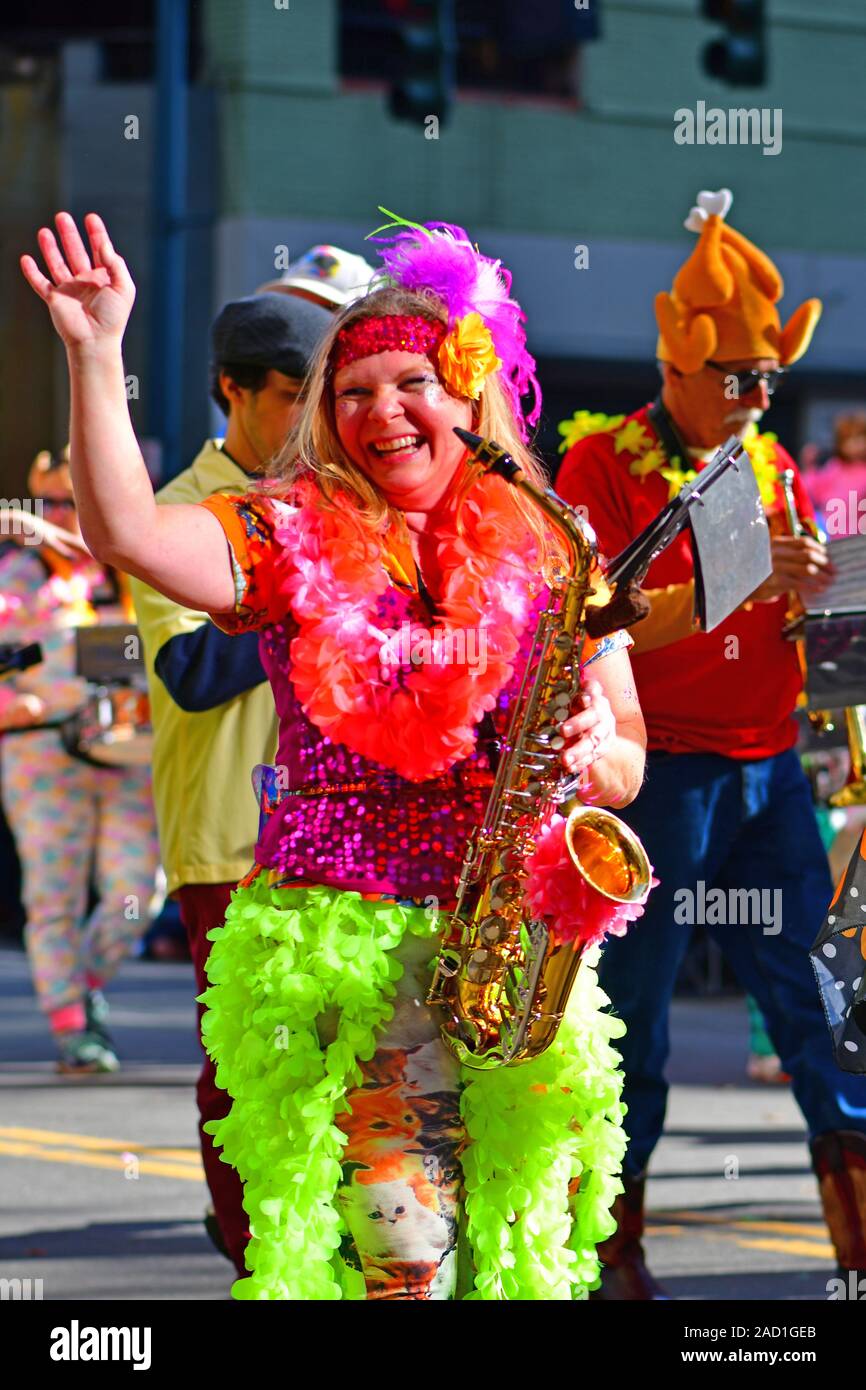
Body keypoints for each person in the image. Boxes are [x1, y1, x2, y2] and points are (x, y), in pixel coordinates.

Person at [22, 208, 647, 1300]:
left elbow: (629, 743)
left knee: (513, 1270)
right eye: (351, 392)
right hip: (343, 954)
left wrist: (602, 753)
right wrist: (96, 351)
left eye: (410, 384)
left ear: (466, 395)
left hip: (509, 950)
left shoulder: (551, 540)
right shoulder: (284, 531)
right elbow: (126, 530)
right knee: (401, 1268)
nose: (381, 412)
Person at [556, 187, 866, 1298]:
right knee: (630, 1019)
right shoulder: (595, 469)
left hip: (767, 768)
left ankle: (856, 1243)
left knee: (823, 1003)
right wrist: (732, 587)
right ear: (673, 366)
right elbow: (587, 620)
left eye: (768, 379)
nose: (754, 398)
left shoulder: (770, 464)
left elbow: (780, 622)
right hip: (659, 772)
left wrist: (812, 606)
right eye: (737, 377)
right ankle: (612, 1241)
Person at [129, 290, 333, 1275]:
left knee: (343, 1065)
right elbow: (195, 671)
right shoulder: (174, 513)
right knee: (249, 1065)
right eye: (293, 395)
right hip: (230, 833)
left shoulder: (337, 500)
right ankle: (261, 1256)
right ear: (232, 390)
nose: (312, 418)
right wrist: (312, 581)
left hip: (342, 830)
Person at [0, 447, 159, 1072]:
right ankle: (73, 1028)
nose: (64, 515)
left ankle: (80, 984)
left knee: (136, 893)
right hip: (43, 759)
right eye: (52, 503)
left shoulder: (133, 573)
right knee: (54, 900)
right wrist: (34, 702)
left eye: (78, 500)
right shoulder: (19, 579)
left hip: (128, 757)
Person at [803, 411, 866, 537]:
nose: (855, 444)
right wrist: (808, 466)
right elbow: (810, 489)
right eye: (849, 439)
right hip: (835, 540)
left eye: (860, 439)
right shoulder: (834, 467)